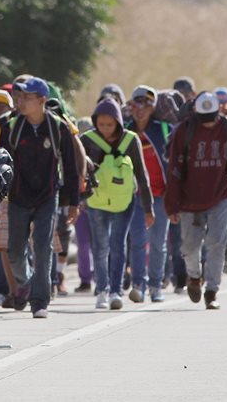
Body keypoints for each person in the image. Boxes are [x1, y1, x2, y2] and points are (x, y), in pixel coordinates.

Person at [0, 76, 81, 318]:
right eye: (19, 96)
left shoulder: (58, 128)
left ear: (42, 100)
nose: (20, 101)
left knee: (43, 248)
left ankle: (39, 301)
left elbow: (71, 167)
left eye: (26, 97)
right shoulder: (11, 128)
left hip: (47, 196)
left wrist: (73, 201)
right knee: (14, 251)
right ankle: (27, 283)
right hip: (18, 197)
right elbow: (1, 166)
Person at [163, 91, 227, 310]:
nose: (209, 124)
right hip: (189, 199)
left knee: (216, 243)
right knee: (190, 247)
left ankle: (212, 291)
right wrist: (171, 203)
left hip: (220, 196)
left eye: (212, 117)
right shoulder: (185, 131)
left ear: (219, 110)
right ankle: (194, 277)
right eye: (204, 119)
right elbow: (174, 169)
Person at [80, 99, 153, 310]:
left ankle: (115, 291)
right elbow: (79, 172)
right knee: (100, 247)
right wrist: (78, 200)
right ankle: (102, 290)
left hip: (124, 201)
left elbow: (141, 174)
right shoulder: (87, 140)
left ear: (119, 123)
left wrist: (148, 207)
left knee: (118, 246)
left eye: (109, 125)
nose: (104, 129)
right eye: (100, 124)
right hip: (97, 201)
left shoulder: (131, 140)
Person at [125, 85, 172, 302]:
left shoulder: (164, 130)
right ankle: (138, 285)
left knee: (158, 242)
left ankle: (155, 286)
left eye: (147, 104)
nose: (141, 109)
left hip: (161, 195)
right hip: (134, 196)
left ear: (153, 107)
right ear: (131, 106)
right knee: (136, 241)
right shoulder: (124, 131)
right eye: (137, 103)